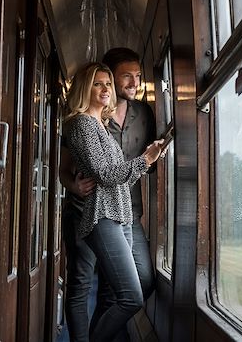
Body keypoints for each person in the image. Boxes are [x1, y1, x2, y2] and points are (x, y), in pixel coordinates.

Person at [63, 62, 163, 342]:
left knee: (118, 295)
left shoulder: (101, 126)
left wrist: (145, 160)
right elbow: (106, 175)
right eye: (98, 83)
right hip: (102, 217)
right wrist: (145, 160)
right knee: (131, 297)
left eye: (108, 83)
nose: (106, 89)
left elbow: (120, 181)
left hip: (122, 218)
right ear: (85, 88)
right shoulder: (82, 124)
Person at [90, 48, 157, 336]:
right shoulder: (92, 116)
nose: (135, 83)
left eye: (138, 76)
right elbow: (69, 163)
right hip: (101, 213)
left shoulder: (144, 112)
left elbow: (150, 166)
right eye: (127, 76)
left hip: (132, 212)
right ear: (109, 77)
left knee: (144, 280)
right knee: (108, 290)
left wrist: (153, 159)